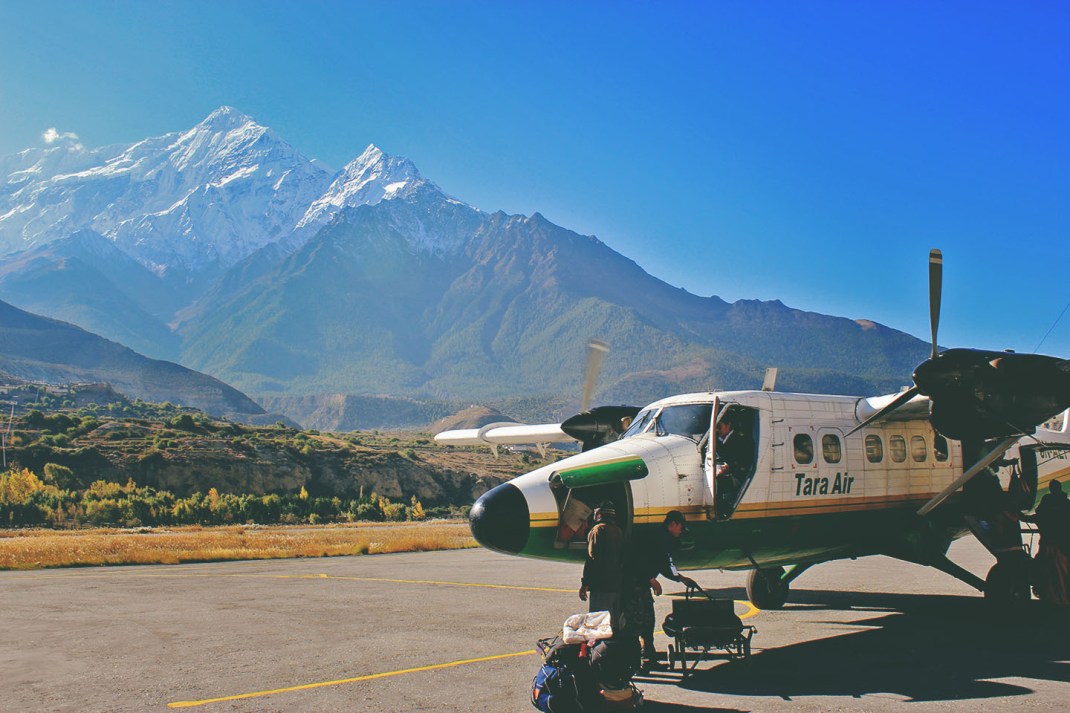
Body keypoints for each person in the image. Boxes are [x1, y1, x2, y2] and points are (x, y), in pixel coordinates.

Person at [621, 510, 697, 671]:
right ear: (673, 524)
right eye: (680, 527)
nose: (681, 531)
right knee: (636, 623)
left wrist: (680, 578)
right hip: (633, 584)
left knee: (648, 622)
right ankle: (635, 662)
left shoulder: (664, 538)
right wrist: (651, 579)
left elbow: (666, 564)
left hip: (641, 584)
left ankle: (647, 658)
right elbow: (637, 558)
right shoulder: (657, 537)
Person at [1022, 480, 1070, 605]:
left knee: (1050, 573)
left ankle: (1054, 597)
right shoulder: (1066, 504)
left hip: (1049, 546)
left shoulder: (1047, 503)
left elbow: (1038, 516)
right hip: (1063, 546)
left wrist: (1021, 517)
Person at [579, 501, 625, 623]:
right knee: (612, 623)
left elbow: (592, 559)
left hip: (601, 586)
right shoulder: (618, 530)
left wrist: (585, 583)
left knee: (598, 624)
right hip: (615, 585)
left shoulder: (598, 530)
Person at [714, 418, 750, 516]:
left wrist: (730, 467)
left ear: (728, 425)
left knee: (719, 483)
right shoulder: (719, 439)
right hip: (725, 471)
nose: (717, 430)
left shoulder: (740, 439)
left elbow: (745, 461)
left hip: (737, 475)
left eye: (719, 426)